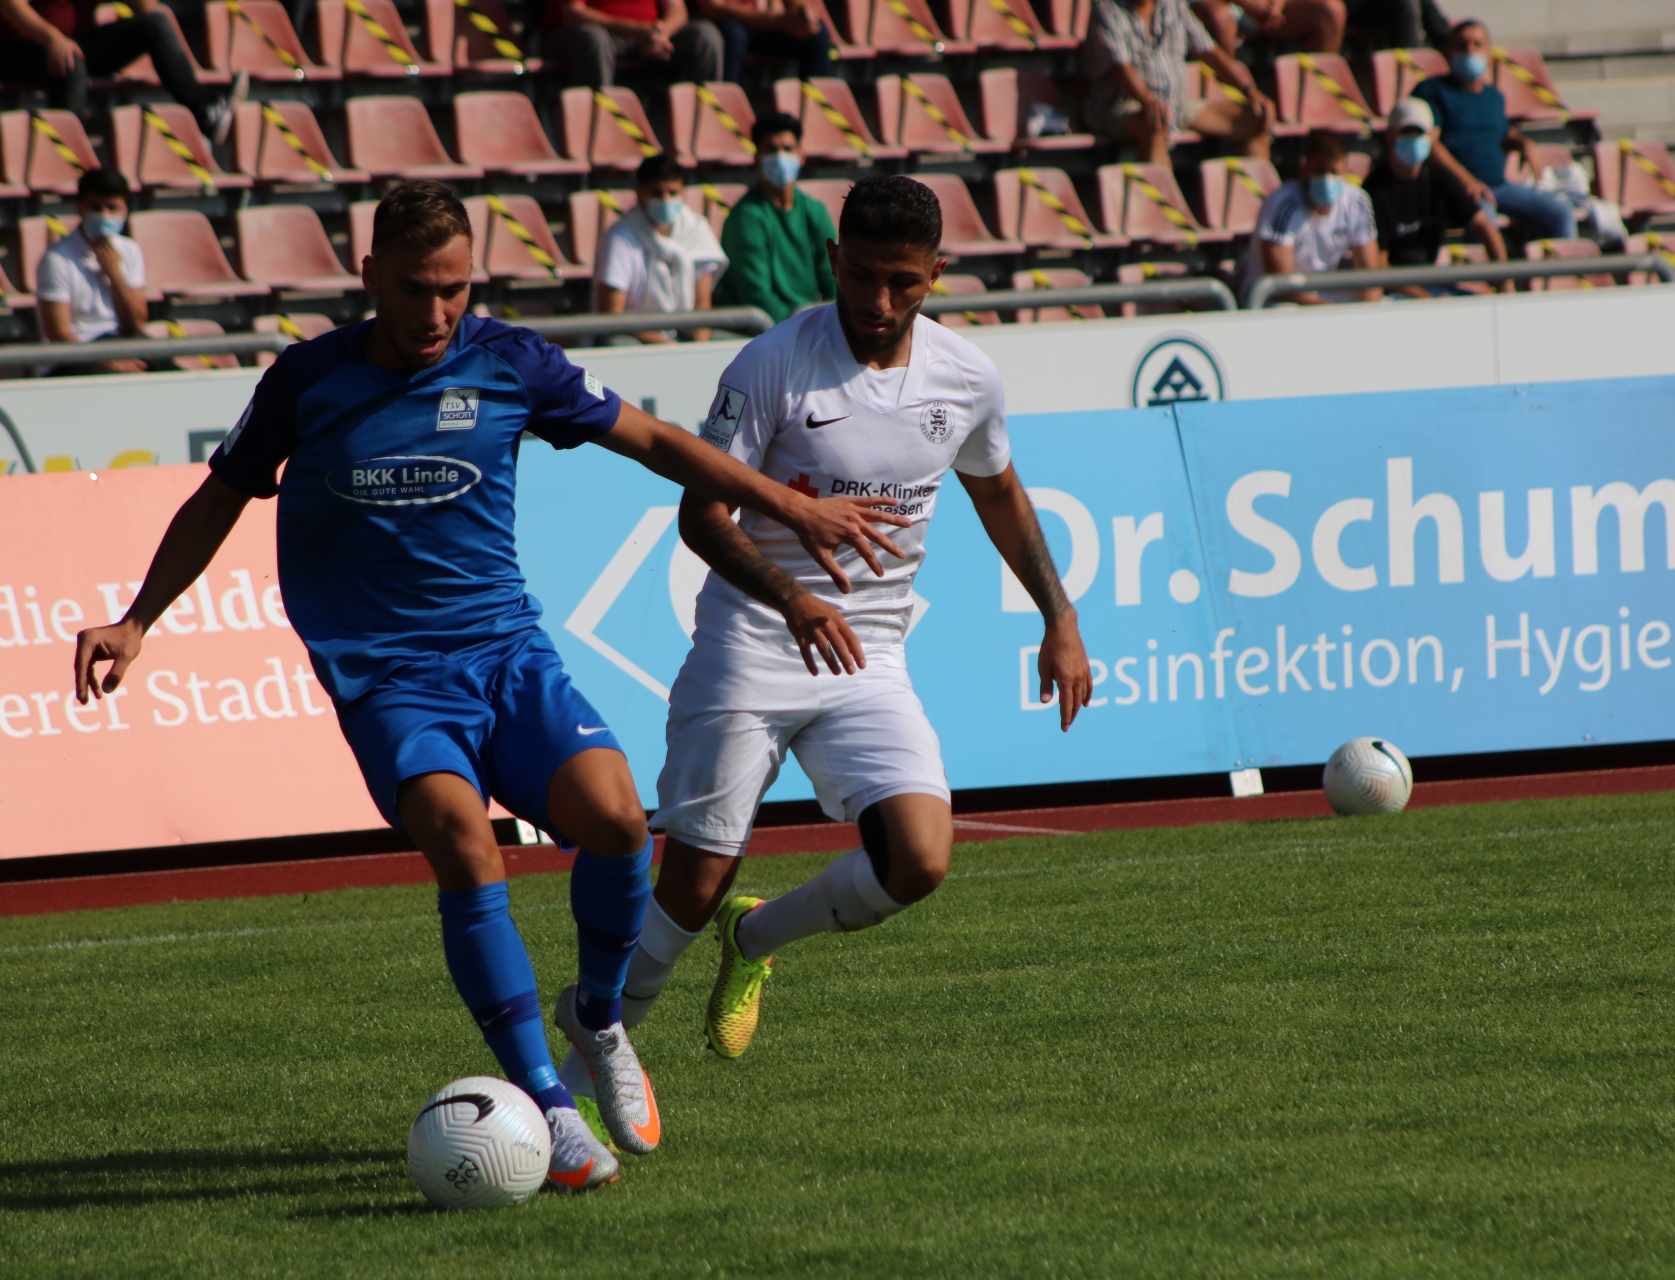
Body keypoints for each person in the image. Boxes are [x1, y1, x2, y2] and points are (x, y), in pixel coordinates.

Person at [69, 180, 906, 1192]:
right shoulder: (308, 380)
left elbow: (650, 439)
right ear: (369, 276)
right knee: (465, 843)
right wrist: (137, 618)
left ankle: (597, 1017)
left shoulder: (511, 361)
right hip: (387, 675)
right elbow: (219, 497)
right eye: (415, 290)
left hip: (505, 653)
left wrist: (782, 502)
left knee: (617, 821)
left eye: (455, 289)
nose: (436, 313)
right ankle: (546, 1102)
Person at [612, 176, 1094, 1062]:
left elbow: (999, 493)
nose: (878, 300)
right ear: (832, 260)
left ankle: (754, 937)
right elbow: (701, 517)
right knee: (692, 884)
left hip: (868, 653)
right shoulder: (769, 365)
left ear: (937, 274)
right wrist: (792, 597)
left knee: (920, 858)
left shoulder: (967, 378)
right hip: (752, 641)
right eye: (862, 275)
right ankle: (591, 1055)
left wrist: (1058, 617)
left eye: (902, 282)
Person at [0, 0, 245, 148]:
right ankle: (67, 151)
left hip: (76, 45)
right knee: (71, 62)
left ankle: (205, 109)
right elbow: (11, 6)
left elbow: (146, 7)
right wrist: (52, 38)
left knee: (155, 24)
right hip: (19, 46)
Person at [1414, 18, 1575, 242]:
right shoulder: (1432, 90)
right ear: (1448, 51)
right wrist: (1467, 181)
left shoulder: (1494, 97)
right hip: (1458, 190)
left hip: (1499, 187)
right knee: (1484, 221)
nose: (1470, 49)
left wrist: (1523, 143)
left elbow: (1502, 133)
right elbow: (1430, 143)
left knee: (1561, 213)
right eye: (1462, 44)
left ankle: (1564, 265)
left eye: (1477, 44)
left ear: (1489, 56)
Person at [1085, 0, 1275, 168]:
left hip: (1176, 104)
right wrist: (1148, 100)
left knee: (1258, 120)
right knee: (1156, 122)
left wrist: (1250, 91)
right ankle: (1162, 195)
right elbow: (1120, 69)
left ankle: (1255, 196)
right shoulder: (1107, 8)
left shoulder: (1174, 4)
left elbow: (1209, 51)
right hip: (1120, 104)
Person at [1362, 97, 1508, 296]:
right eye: (1406, 132)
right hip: (1395, 292)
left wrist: (1504, 282)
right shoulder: (1373, 192)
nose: (1413, 139)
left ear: (1431, 137)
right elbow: (1379, 266)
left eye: (1419, 133)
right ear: (1390, 137)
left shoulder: (1438, 177)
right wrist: (1421, 297)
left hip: (1432, 283)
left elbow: (1484, 226)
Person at [714, 114, 837, 324]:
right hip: (764, 330)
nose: (780, 156)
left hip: (810, 323)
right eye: (771, 150)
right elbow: (757, 296)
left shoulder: (816, 211)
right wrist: (801, 330)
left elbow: (833, 280)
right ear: (757, 158)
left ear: (801, 155)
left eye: (788, 149)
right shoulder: (745, 218)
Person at [595, 153, 728, 344]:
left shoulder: (697, 230)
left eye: (673, 193)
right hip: (637, 337)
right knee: (619, 344)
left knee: (738, 348)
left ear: (684, 194)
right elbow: (612, 316)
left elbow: (702, 306)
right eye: (657, 193)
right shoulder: (620, 236)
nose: (666, 200)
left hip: (684, 338)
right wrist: (665, 347)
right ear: (640, 194)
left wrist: (698, 348)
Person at [1243, 130, 1384, 304]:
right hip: (1277, 301)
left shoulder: (1358, 203)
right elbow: (1280, 284)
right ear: (1304, 170)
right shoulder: (1283, 205)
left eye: (1334, 172)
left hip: (1327, 297)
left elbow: (1370, 276)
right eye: (1319, 171)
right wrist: (1328, 312)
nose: (1327, 179)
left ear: (1346, 173)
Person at [36, 169, 150, 374]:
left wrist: (115, 274)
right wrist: (111, 365)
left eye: (112, 208)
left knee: (168, 369)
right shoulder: (57, 259)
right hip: (74, 357)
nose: (104, 215)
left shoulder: (130, 250)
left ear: (125, 211)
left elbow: (136, 324)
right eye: (96, 208)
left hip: (119, 343)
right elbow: (59, 335)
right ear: (80, 208)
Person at [548, 0, 723, 88]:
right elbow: (572, 13)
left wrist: (661, 34)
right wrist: (636, 31)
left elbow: (677, 9)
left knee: (705, 35)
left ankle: (706, 123)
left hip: (649, 36)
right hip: (600, 36)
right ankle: (602, 123)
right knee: (594, 38)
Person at [691, 0, 832, 87]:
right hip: (709, 22)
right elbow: (714, 8)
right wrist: (778, 21)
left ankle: (818, 112)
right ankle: (730, 112)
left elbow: (797, 5)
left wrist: (803, 15)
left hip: (755, 23)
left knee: (817, 34)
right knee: (734, 35)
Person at [1189, 0, 1341, 55]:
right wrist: (1248, 3)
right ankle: (1227, 99)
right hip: (1215, 6)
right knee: (1220, 18)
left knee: (1331, 12)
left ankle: (1316, 98)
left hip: (1262, 9)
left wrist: (1275, 6)